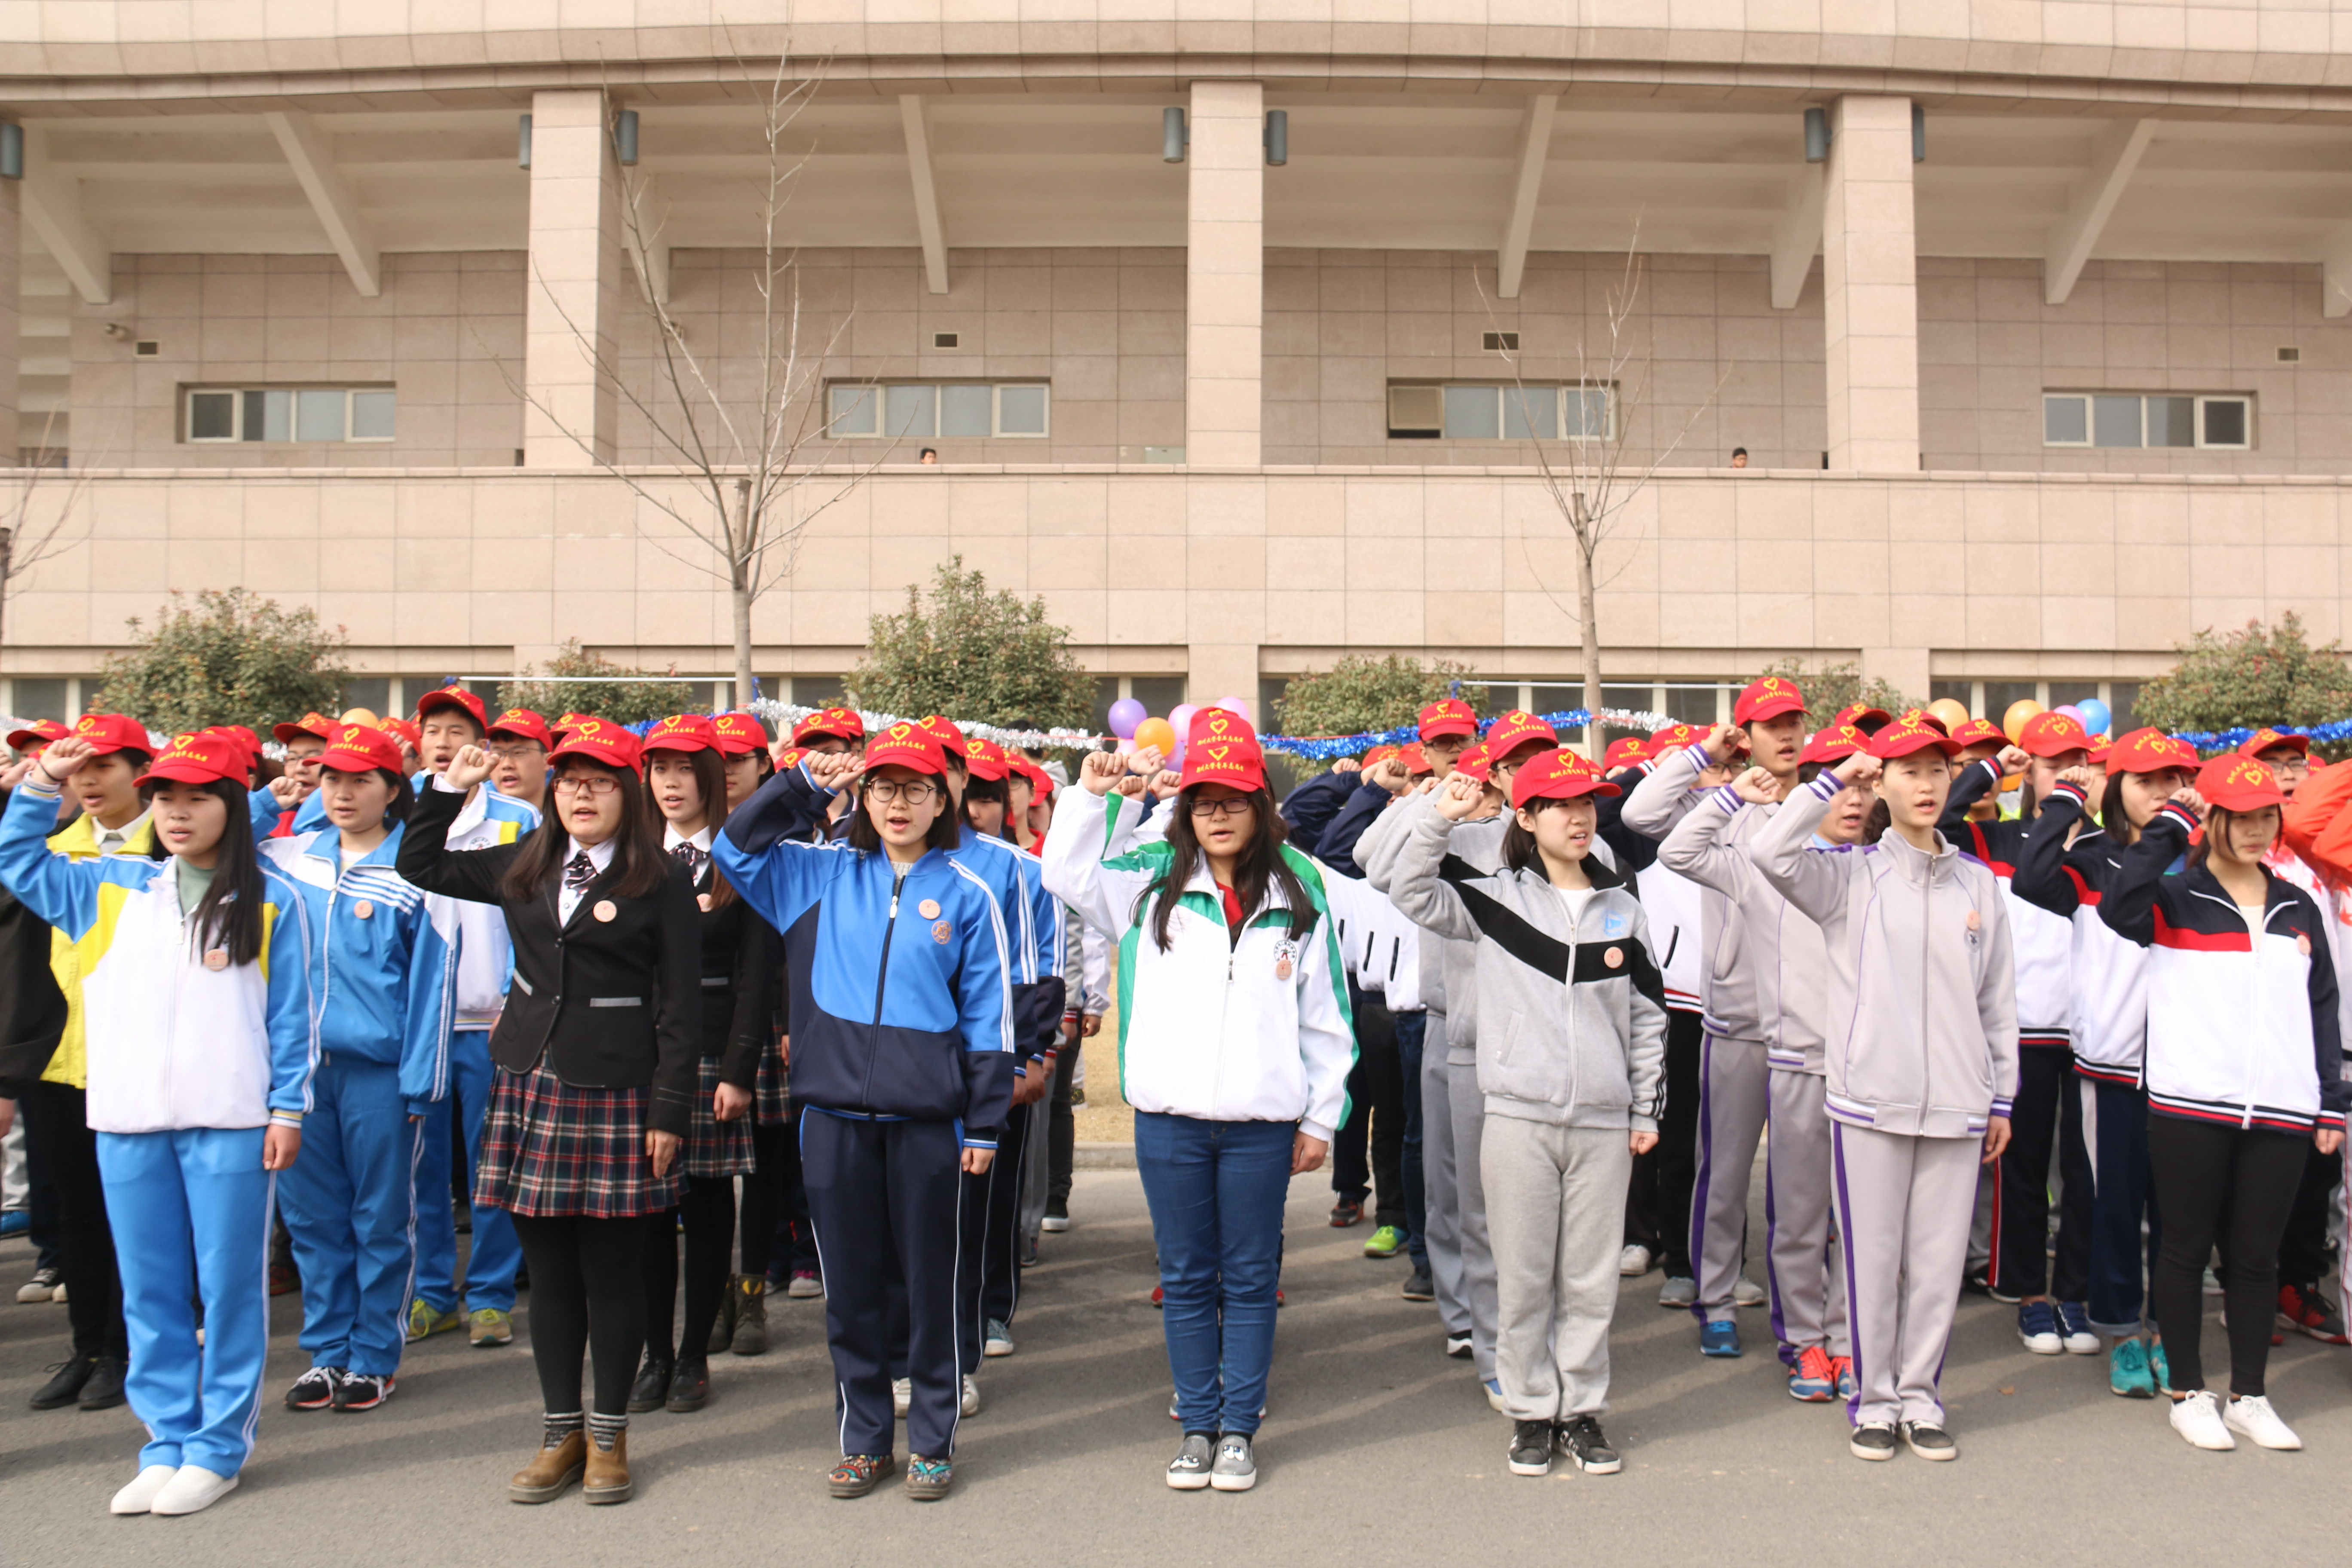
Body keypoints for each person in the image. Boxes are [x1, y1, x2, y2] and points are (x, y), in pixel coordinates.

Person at [0, 728, 313, 1516]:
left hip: (233, 1121)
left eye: (198, 796)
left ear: (231, 805)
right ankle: (165, 1439)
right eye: (166, 795)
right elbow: (16, 861)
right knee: (149, 1288)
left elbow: (294, 1017)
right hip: (129, 1119)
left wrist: (285, 1110)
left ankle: (218, 1447)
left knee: (229, 1287)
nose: (177, 810)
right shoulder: (111, 884)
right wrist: (42, 780)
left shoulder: (277, 898)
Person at [1041, 709, 1354, 1494]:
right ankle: (1198, 1426)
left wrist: (1320, 1116)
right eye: (1204, 799)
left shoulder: (1300, 883)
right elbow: (1069, 876)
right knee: (1185, 1275)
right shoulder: (1152, 877)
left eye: (1235, 798)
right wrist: (1087, 799)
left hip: (1261, 1124)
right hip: (1170, 1119)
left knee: (1249, 1276)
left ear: (1260, 804)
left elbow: (1326, 1014)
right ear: (1186, 809)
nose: (1218, 813)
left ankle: (1238, 1428)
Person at [397, 721, 699, 1506]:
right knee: (554, 1274)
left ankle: (608, 1435)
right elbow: (418, 861)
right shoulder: (526, 864)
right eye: (569, 780)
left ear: (625, 792)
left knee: (613, 1272)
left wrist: (670, 1107)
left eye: (599, 780)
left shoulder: (657, 875)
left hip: (622, 1086)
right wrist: (448, 786)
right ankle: (559, 1431)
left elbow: (679, 1001)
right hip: (530, 1078)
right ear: (552, 791)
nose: (582, 793)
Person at [715, 720, 1014, 1503]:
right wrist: (803, 784)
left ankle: (933, 1438)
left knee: (933, 1284)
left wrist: (983, 1123)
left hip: (932, 1122)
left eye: (917, 787)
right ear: (863, 794)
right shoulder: (813, 875)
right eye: (883, 786)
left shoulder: (968, 890)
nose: (899, 802)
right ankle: (863, 1436)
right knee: (850, 1288)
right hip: (833, 1119)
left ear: (940, 795)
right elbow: (734, 847)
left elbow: (990, 1018)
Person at [1749, 715, 2018, 1463]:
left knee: (1934, 1265)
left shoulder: (1976, 883)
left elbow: (1996, 998)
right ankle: (1872, 1399)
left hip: (1960, 1103)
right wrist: (1834, 779)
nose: (1926, 784)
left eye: (1937, 769)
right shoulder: (1847, 877)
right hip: (1869, 1100)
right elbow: (1768, 849)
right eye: (1908, 771)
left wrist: (2001, 1095)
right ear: (1881, 785)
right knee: (1872, 1256)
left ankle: (1920, 1395)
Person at [1389, 751, 1663, 1479]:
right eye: (1560, 804)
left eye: (1588, 804)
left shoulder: (1623, 908)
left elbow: (1646, 1019)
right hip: (1515, 1113)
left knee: (1588, 1276)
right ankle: (1531, 1409)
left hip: (1604, 1121)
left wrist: (1646, 1106)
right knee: (1521, 1272)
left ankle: (1581, 1408)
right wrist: (1436, 812)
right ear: (1526, 815)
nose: (1579, 817)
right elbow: (1407, 886)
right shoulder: (1493, 898)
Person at [2099, 754, 2346, 1452]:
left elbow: (2322, 1005)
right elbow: (2120, 906)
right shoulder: (2175, 896)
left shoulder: (2298, 905)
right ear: (2211, 820)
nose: (2253, 829)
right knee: (2182, 1249)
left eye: (2265, 815)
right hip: (2189, 1102)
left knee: (2256, 1256)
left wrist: (2328, 1100)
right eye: (2236, 816)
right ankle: (2187, 1390)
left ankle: (2250, 1393)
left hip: (2280, 1108)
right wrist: (2170, 824)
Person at [1659, 723, 1863, 1401]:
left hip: (1850, 1057)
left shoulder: (1876, 863)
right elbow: (1673, 844)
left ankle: (1846, 1335)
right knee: (1737, 1175)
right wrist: (1726, 795)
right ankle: (1718, 1300)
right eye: (1834, 778)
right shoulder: (1757, 844)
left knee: (1842, 1208)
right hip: (1755, 1033)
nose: (1851, 794)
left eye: (1859, 779)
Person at [260, 723, 456, 1414]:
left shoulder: (416, 870)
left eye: (360, 781)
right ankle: (327, 1352)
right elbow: (211, 845)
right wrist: (269, 797)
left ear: (392, 790)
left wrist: (421, 1084)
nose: (343, 793)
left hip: (379, 1075)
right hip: (301, 1077)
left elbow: (435, 984)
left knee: (381, 1218)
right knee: (312, 1220)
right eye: (332, 779)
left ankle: (374, 1355)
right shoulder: (288, 859)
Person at [1622, 678, 1812, 1355]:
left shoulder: (1827, 806)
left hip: (1817, 1026)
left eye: (1795, 722)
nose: (1786, 735)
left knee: (1802, 1180)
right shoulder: (1722, 804)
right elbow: (1644, 816)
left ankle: (1807, 1314)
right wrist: (1707, 754)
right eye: (1770, 725)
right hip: (1738, 1016)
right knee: (1723, 1171)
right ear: (1746, 736)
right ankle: (1717, 1295)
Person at [2011, 726, 2197, 1396]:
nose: (2163, 792)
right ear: (2115, 785)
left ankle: (2172, 1333)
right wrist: (2066, 796)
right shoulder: (2090, 859)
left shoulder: (2203, 860)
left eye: (2175, 779)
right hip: (2113, 1064)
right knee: (2114, 1205)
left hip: (2188, 1070)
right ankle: (2123, 1331)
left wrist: (2183, 832)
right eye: (2146, 780)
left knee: (2178, 1215)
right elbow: (2030, 876)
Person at [1938, 712, 2100, 1359]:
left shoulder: (2104, 845)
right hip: (2023, 1024)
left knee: (2085, 1172)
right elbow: (1938, 822)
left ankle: (2076, 1294)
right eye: (2048, 761)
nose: (2062, 772)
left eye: (2073, 762)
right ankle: (2028, 1291)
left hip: (2091, 1032)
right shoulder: (1995, 839)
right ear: (2028, 768)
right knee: (2023, 1166)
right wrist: (1986, 772)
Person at [12, 712, 155, 1415]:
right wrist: (40, 781)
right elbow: (12, 858)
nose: (89, 780)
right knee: (75, 1214)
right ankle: (87, 1347)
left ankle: (127, 1350)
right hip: (62, 1058)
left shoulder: (178, 842)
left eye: (105, 766)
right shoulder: (57, 847)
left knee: (132, 1214)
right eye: (79, 768)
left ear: (139, 771)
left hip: (142, 1058)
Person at [627, 714, 771, 1416]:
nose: (672, 783)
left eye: (686, 770)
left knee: (709, 1203)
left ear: (712, 778)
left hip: (714, 1048)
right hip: (641, 1052)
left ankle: (692, 1356)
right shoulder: (629, 855)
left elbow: (756, 973)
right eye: (660, 770)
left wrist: (739, 1068)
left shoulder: (740, 856)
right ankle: (654, 1351)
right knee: (647, 1209)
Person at [402, 687, 541, 1350]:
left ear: (481, 744)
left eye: (459, 730)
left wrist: (522, 999)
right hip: (420, 1026)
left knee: (494, 1163)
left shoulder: (518, 820)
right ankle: (432, 1291)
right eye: (434, 730)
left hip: (495, 1020)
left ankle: (488, 1294)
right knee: (422, 1170)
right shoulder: (401, 808)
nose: (445, 742)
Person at [487, 707, 553, 815]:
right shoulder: (471, 816)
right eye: (498, 754)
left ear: (547, 761)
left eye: (518, 753)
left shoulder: (569, 822)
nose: (506, 765)